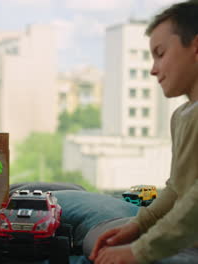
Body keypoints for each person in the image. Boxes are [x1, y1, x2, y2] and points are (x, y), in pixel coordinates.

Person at [89, 1, 198, 263]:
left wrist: (140, 250)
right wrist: (138, 226)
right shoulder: (181, 116)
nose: (153, 69)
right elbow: (176, 189)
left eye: (160, 53)